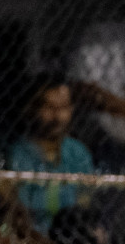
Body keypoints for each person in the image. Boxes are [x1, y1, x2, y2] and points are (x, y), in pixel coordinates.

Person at [7, 76, 96, 235]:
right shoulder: (19, 155)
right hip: (33, 236)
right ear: (32, 109)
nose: (57, 117)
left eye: (63, 107)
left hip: (74, 234)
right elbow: (20, 214)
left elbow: (85, 203)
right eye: (49, 107)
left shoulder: (78, 152)